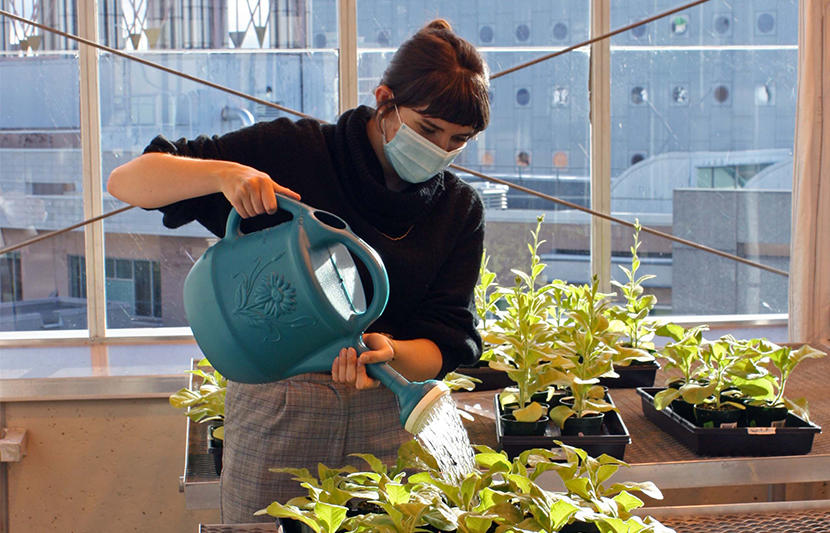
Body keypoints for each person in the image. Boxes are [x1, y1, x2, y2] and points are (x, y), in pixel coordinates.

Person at [107, 18, 490, 523]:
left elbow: (449, 340)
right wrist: (228, 175)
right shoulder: (297, 153)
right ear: (384, 101)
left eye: (457, 140)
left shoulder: (458, 210)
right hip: (278, 411)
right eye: (427, 130)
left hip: (387, 420)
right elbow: (128, 181)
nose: (440, 150)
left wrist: (391, 353)